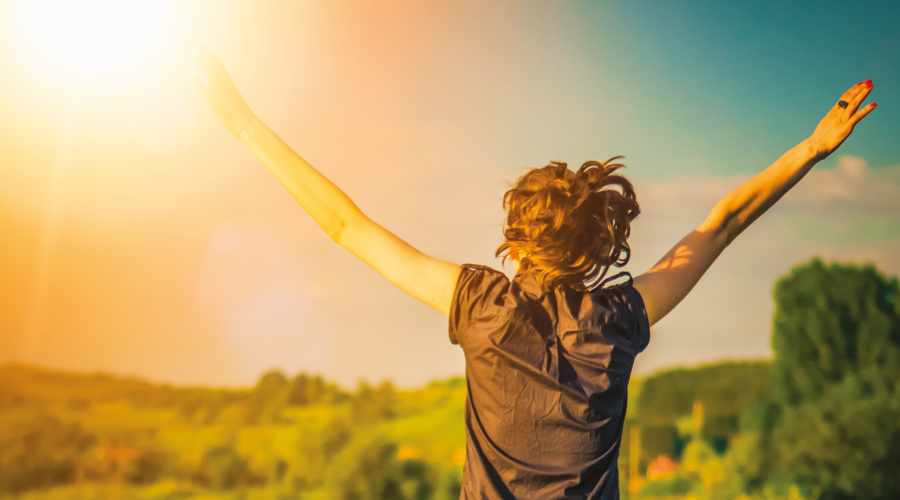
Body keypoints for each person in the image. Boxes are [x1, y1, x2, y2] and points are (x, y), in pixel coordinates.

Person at [195, 46, 876, 499]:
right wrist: (812, 149)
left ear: (514, 241)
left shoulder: (479, 305)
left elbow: (345, 226)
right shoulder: (620, 318)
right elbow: (723, 224)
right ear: (590, 250)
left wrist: (247, 127)